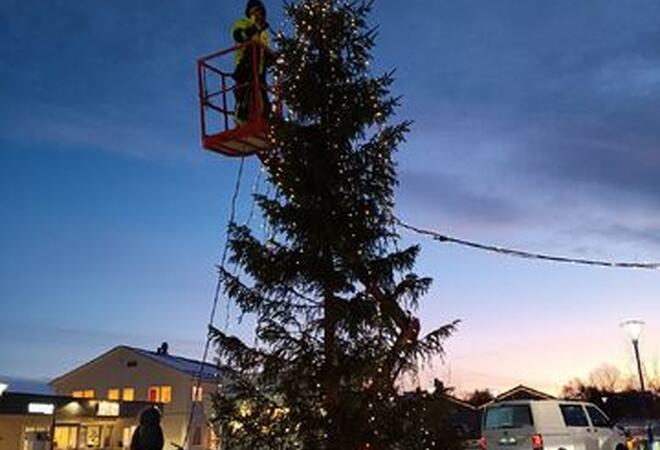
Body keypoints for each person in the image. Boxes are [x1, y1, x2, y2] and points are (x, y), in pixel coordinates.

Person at [231, 0, 273, 125]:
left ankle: (263, 120)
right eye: (254, 10)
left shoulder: (265, 33)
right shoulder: (242, 23)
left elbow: (264, 51)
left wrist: (273, 57)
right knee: (245, 94)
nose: (257, 13)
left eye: (259, 10)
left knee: (263, 99)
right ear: (249, 12)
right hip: (244, 65)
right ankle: (241, 118)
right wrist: (256, 27)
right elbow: (240, 36)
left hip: (259, 70)